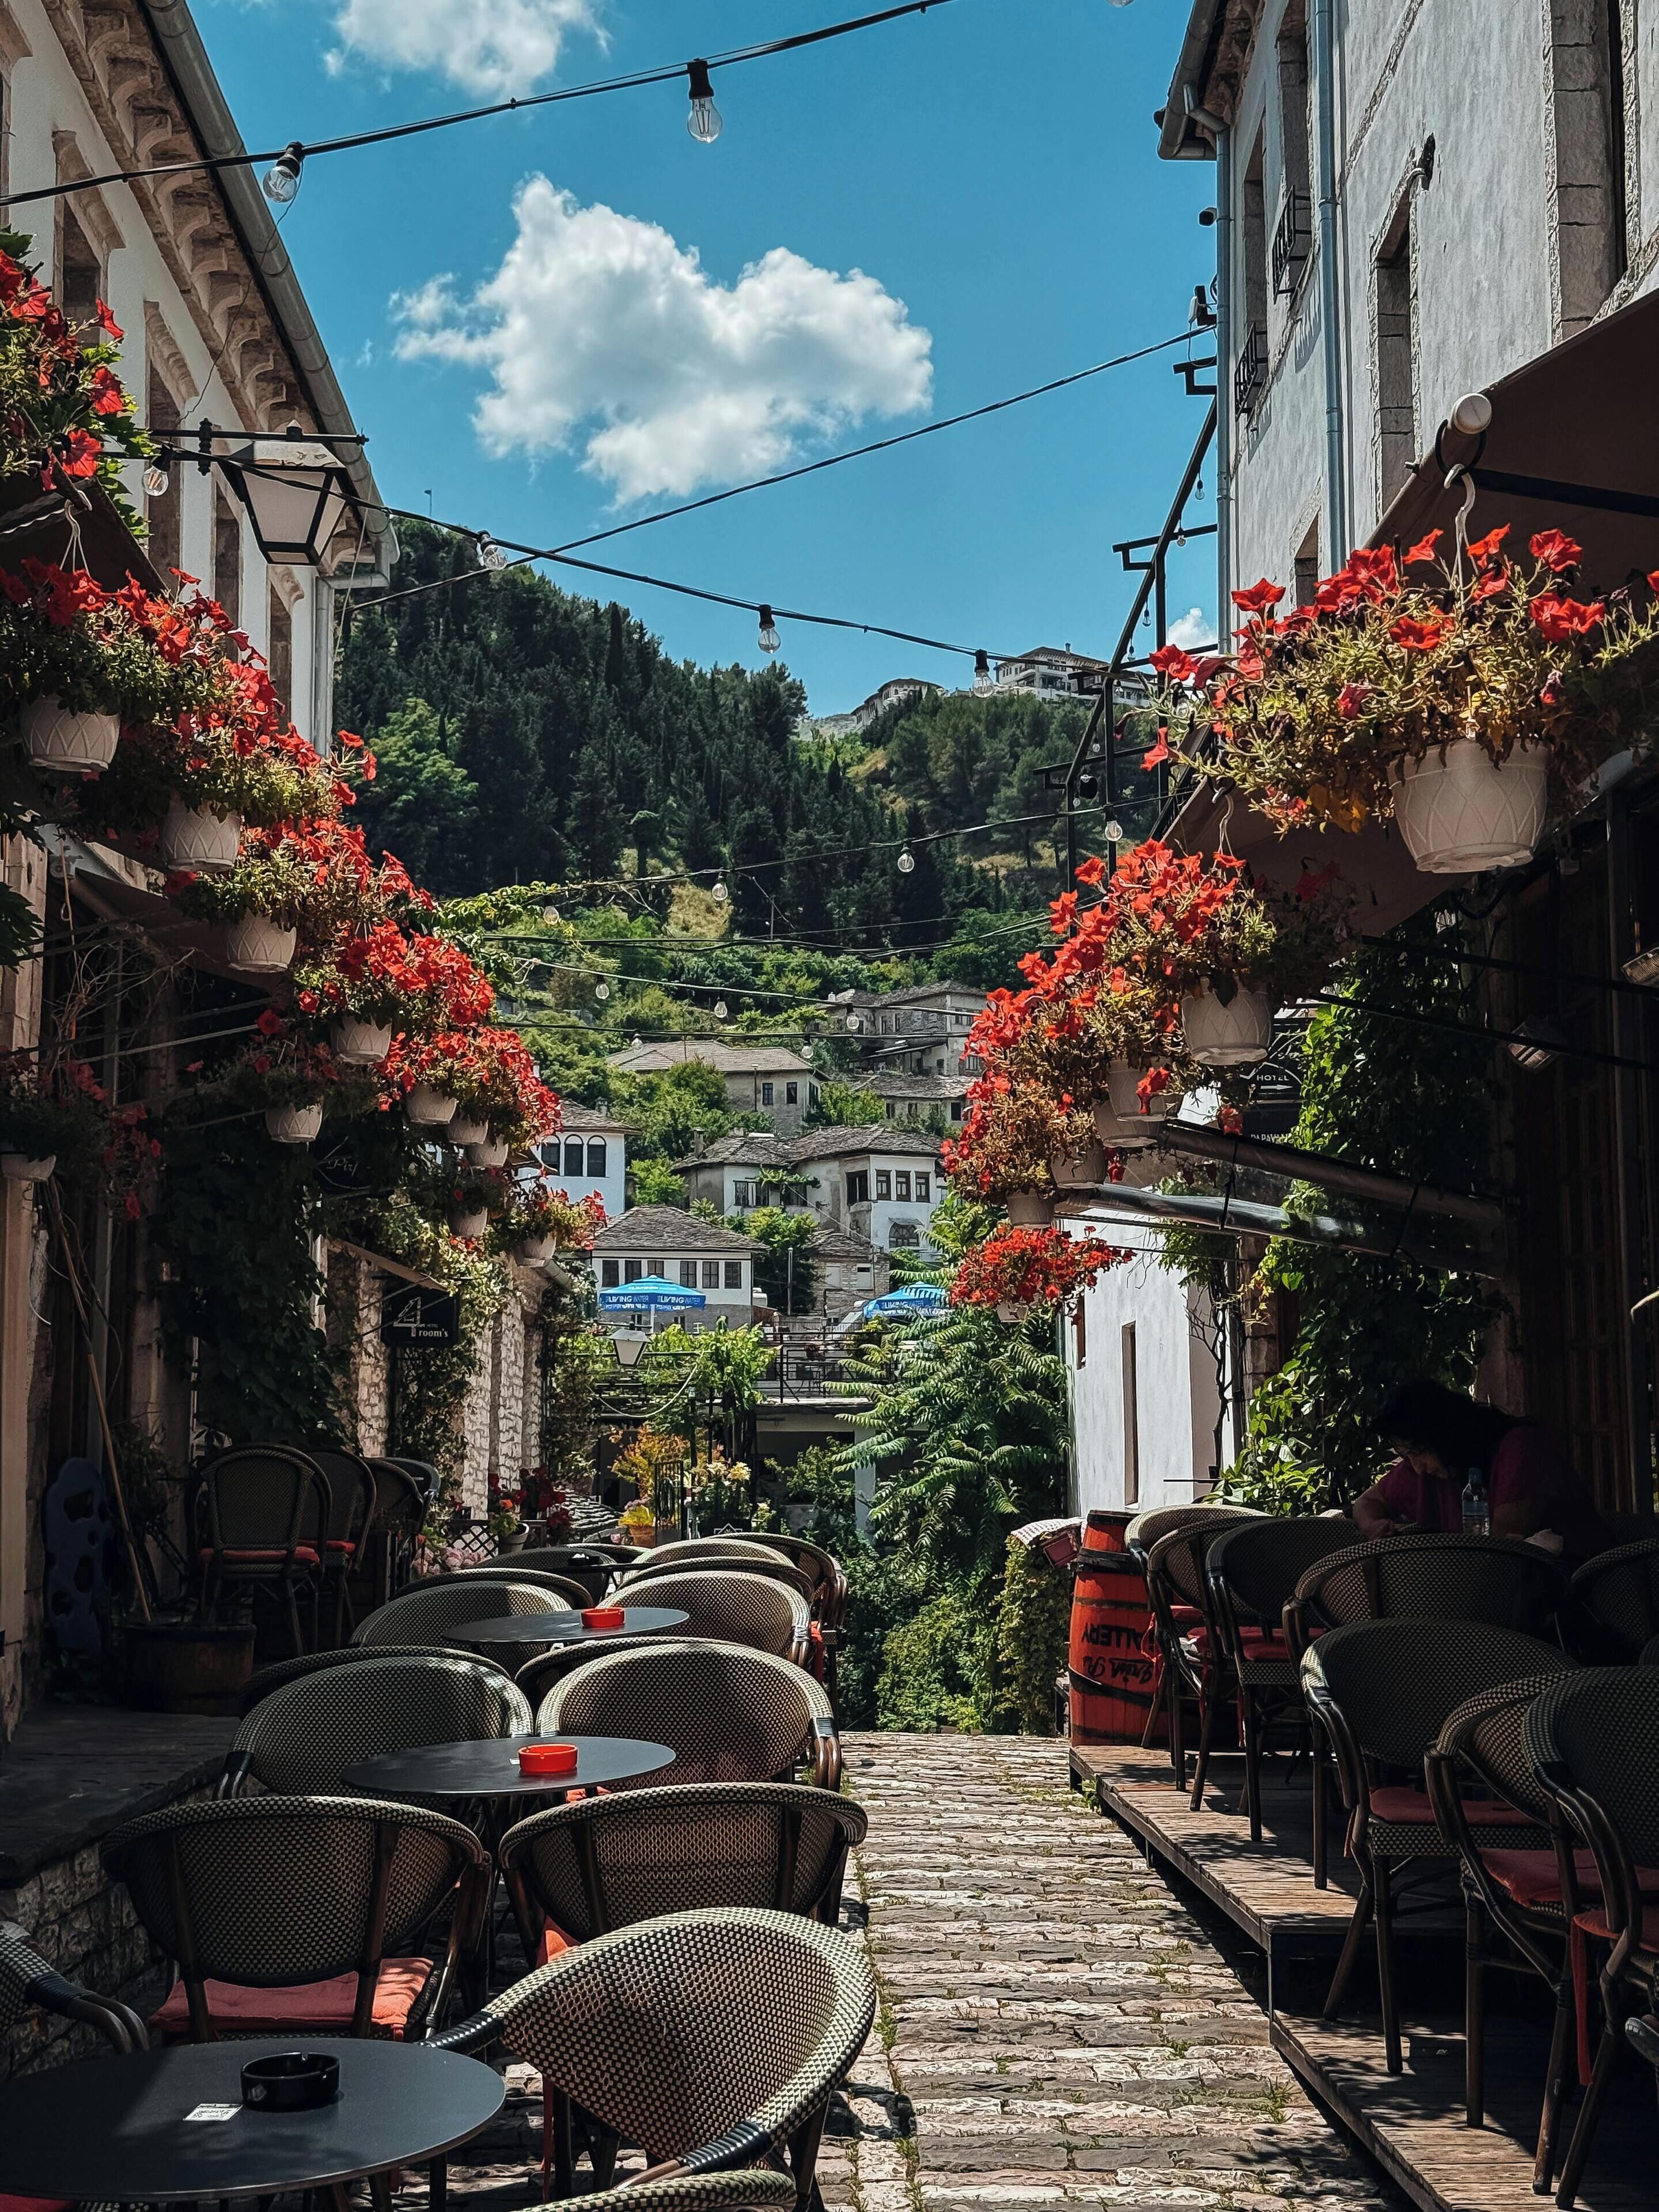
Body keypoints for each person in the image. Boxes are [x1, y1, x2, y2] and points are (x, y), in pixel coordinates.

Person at [1352, 1376, 1608, 1560]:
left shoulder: (1519, 1449)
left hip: (1573, 1602)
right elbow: (1366, 1503)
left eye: (1417, 1453)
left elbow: (1499, 1551)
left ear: (1444, 1436)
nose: (1416, 1468)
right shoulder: (1427, 1469)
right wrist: (1374, 1526)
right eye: (1407, 1456)